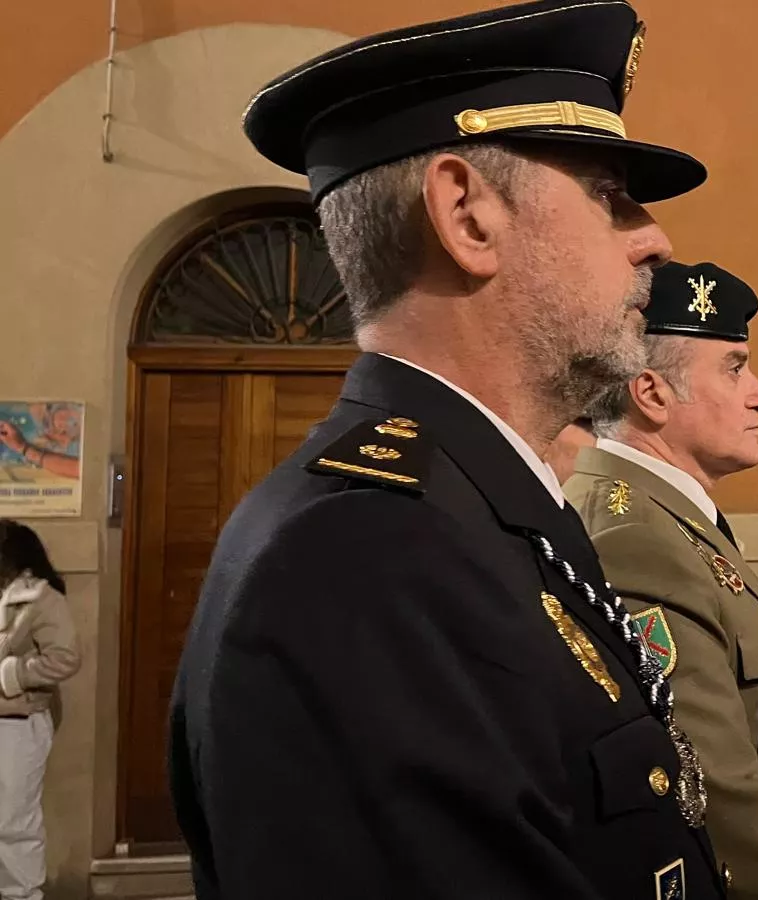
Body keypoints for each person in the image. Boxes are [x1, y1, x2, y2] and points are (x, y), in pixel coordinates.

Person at [167, 3, 728, 898]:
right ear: (467, 215)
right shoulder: (363, 564)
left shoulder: (479, 508)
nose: (655, 236)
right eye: (608, 193)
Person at [565, 262, 758, 899]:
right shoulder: (635, 539)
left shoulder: (663, 515)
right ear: (651, 394)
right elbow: (721, 804)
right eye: (735, 368)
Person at [0, 521, 79, 900]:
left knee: (13, 823)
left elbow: (65, 658)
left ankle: (23, 896)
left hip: (18, 723)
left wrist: (13, 674)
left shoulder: (40, 598)